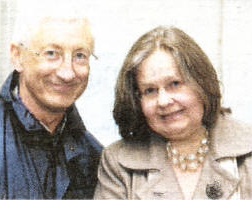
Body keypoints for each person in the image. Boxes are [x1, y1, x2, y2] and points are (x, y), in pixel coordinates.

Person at [94, 26, 252, 199]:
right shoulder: (117, 162)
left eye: (175, 84)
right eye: (150, 90)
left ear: (202, 83)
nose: (163, 101)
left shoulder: (247, 149)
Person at [0, 16, 102, 199]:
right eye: (52, 53)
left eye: (80, 56)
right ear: (17, 56)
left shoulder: (93, 156)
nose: (67, 73)